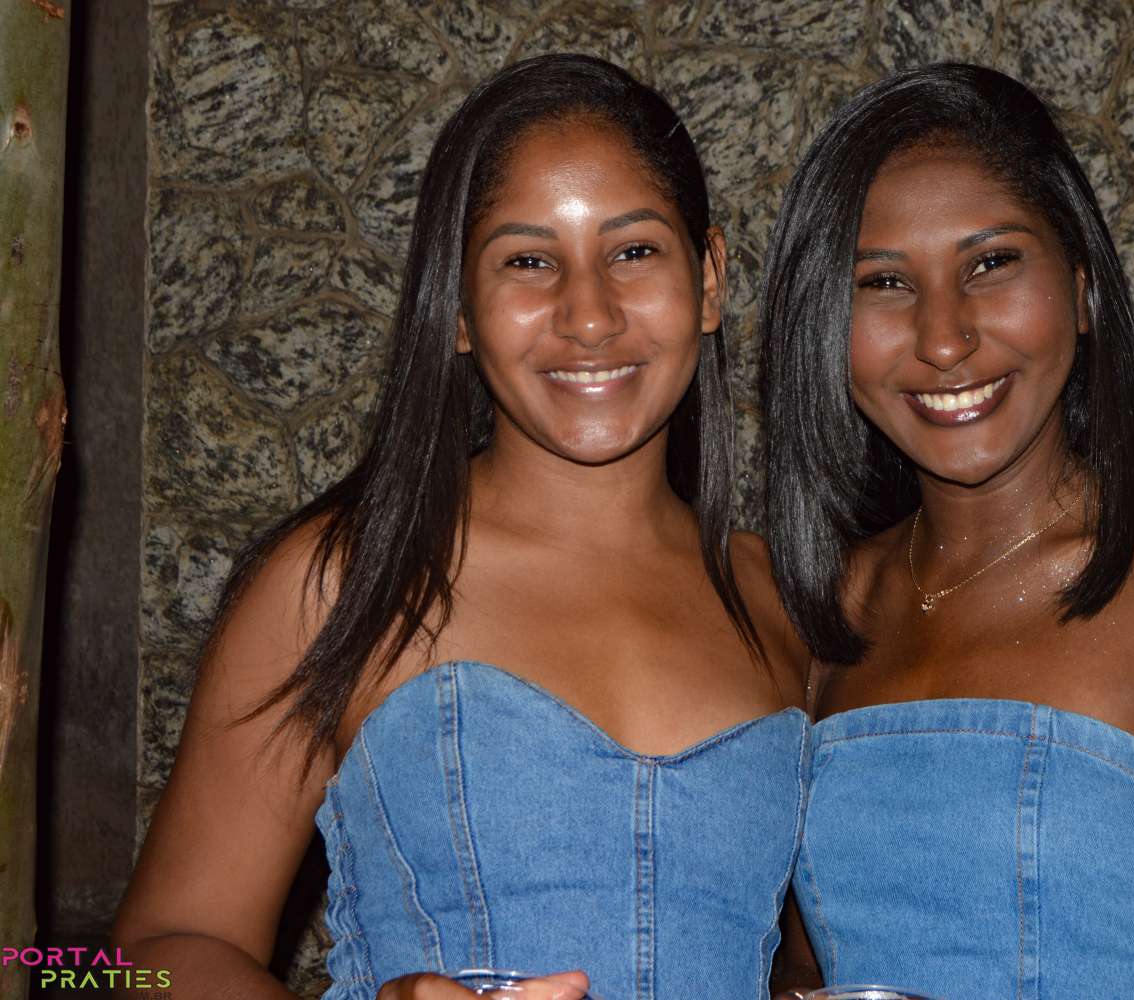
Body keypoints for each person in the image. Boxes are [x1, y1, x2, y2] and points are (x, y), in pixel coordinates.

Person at [113, 54, 810, 1000]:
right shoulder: (343, 582)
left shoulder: (784, 603)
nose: (589, 315)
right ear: (457, 309)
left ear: (712, 277)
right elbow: (121, 966)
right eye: (528, 261)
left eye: (634, 251)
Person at [760, 64, 1134, 999]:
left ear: (1082, 287)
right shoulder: (821, 615)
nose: (944, 338)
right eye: (884, 282)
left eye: (991, 264)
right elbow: (802, 967)